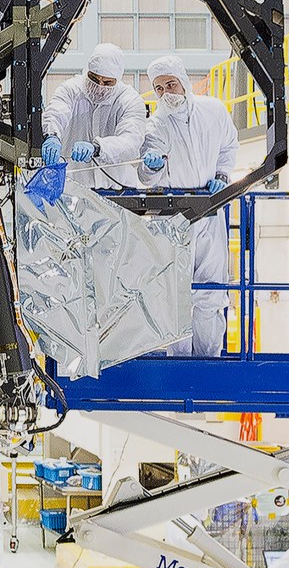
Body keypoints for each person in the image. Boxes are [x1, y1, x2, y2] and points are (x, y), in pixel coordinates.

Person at [138, 55, 238, 357]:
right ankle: (178, 364)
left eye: (170, 84)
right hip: (174, 216)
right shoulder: (155, 124)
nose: (166, 93)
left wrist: (222, 175)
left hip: (209, 211)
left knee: (211, 291)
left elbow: (228, 146)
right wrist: (151, 166)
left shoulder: (213, 111)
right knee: (174, 295)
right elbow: (144, 172)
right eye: (158, 89)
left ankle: (208, 360)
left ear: (183, 80)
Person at [41, 42, 146, 191]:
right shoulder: (70, 90)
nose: (100, 86)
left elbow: (130, 142)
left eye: (108, 82)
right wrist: (52, 135)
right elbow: (56, 112)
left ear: (118, 79)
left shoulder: (129, 100)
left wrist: (98, 148)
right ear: (87, 71)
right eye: (94, 79)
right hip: (75, 189)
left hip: (118, 190)